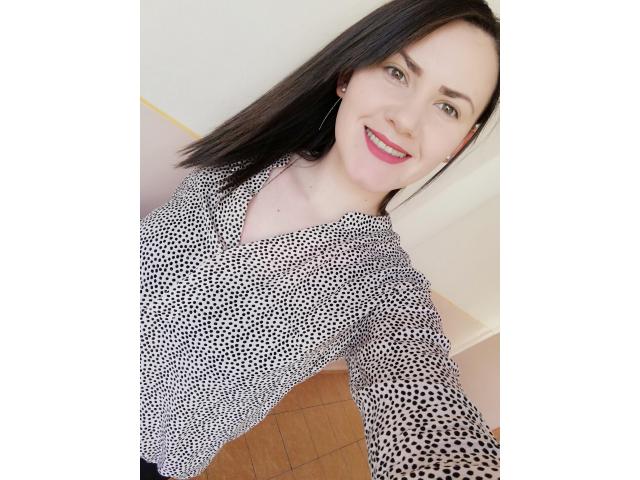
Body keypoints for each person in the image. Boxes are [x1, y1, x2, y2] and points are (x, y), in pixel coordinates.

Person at [140, 0, 500, 478]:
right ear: (349, 73)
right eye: (397, 73)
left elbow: (420, 399)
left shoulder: (383, 288)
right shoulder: (246, 154)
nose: (406, 120)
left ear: (459, 142)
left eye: (447, 107)